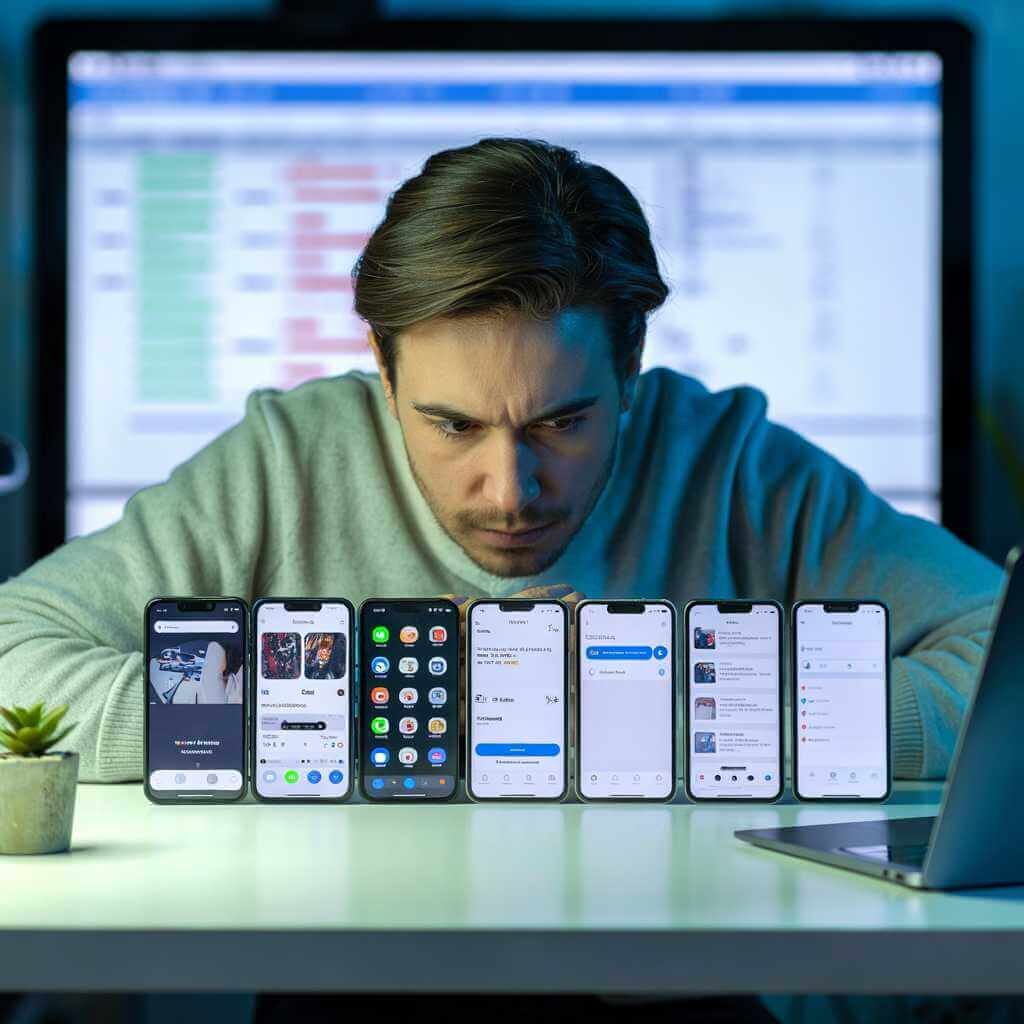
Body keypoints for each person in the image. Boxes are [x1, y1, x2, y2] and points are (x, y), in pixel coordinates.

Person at [0, 137, 1003, 1022]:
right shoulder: (288, 458)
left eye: (563, 422)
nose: (510, 489)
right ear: (383, 375)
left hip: (668, 989)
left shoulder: (727, 460)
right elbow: (16, 654)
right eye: (451, 425)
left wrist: (662, 711)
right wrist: (382, 703)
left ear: (630, 371)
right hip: (355, 987)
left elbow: (1002, 660)